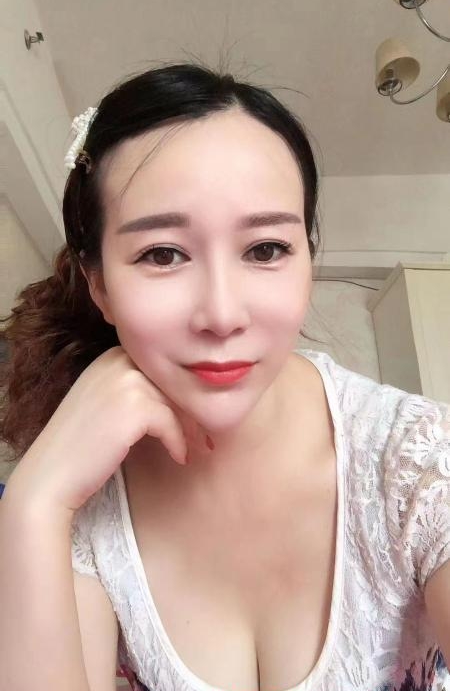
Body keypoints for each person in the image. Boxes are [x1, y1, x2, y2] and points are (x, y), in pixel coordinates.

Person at [0, 62, 450, 691]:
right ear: (98, 284)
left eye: (265, 249)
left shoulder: (417, 463)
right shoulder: (84, 506)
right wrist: (33, 502)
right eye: (163, 254)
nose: (221, 314)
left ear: (308, 256)